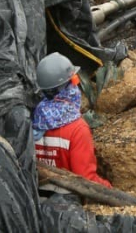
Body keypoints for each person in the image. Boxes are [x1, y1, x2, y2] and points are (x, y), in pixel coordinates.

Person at [32, 53, 112, 187]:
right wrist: (110, 189)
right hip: (68, 204)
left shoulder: (29, 120)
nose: (76, 86)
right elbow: (86, 180)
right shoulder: (77, 130)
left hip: (32, 202)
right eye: (74, 80)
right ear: (66, 87)